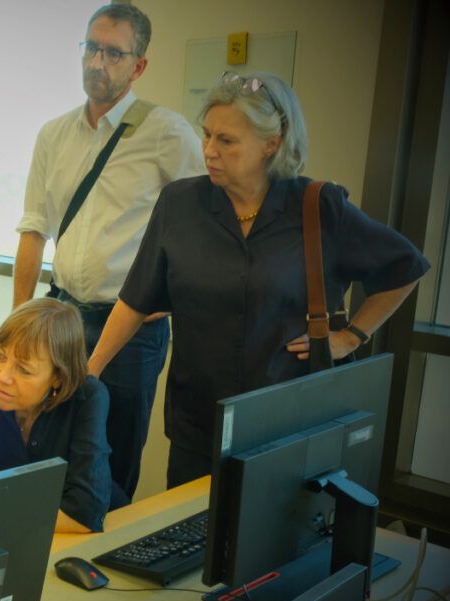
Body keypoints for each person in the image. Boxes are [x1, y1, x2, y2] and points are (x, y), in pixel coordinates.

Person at [87, 71, 431, 487]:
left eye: (226, 140)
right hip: (198, 420)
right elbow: (135, 300)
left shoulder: (319, 207)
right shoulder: (179, 204)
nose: (209, 150)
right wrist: (91, 371)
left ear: (272, 142)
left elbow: (406, 266)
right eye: (207, 135)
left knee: (273, 526)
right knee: (190, 525)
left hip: (289, 421)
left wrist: (352, 336)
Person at [12, 4, 204, 499]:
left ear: (138, 66)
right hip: (62, 317)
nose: (97, 62)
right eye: (91, 48)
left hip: (131, 330)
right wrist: (18, 322)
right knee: (46, 449)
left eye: (113, 53)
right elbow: (33, 230)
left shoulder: (167, 133)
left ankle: (108, 544)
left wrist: (171, 297)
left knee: (111, 465)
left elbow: (206, 227)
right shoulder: (53, 135)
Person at [0, 298, 117, 533]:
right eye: (1, 356)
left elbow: (85, 514)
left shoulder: (88, 397)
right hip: (4, 536)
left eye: (24, 370)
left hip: (85, 537)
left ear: (58, 377)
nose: (2, 377)